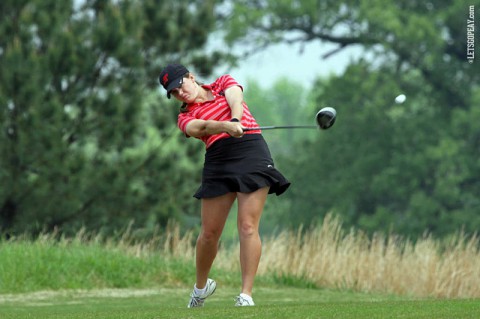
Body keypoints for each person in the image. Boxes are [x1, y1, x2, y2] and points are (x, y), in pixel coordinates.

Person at [158, 63, 290, 308]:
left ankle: (246, 295)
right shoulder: (185, 116)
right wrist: (226, 127)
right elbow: (202, 127)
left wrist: (236, 119)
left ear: (191, 77)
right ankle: (200, 289)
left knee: (248, 226)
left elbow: (235, 96)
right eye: (173, 92)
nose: (180, 93)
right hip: (218, 158)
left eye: (180, 85)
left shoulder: (221, 83)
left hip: (251, 150)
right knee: (209, 234)